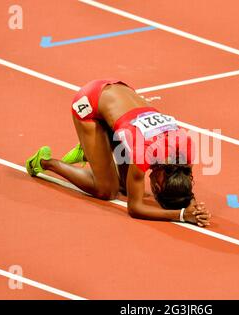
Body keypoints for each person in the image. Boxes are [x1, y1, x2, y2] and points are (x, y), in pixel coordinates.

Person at [26, 79, 211, 227]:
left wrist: (193, 206)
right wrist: (181, 215)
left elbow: (185, 183)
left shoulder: (186, 150)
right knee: (107, 191)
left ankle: (95, 149)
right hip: (89, 102)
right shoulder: (144, 153)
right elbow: (135, 208)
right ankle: (45, 162)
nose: (151, 187)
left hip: (122, 92)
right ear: (158, 187)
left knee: (125, 186)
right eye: (155, 189)